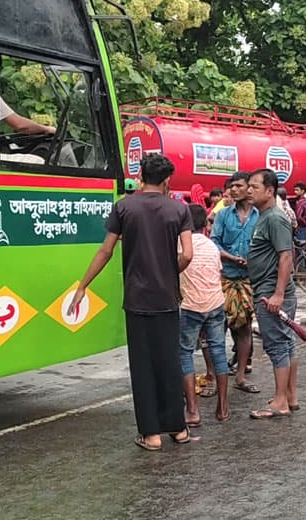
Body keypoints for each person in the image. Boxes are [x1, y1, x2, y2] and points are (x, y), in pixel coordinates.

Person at [67, 153, 195, 450]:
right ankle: (178, 429)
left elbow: (106, 251)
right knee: (169, 360)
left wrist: (83, 285)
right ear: (167, 180)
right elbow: (187, 254)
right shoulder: (179, 209)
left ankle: (151, 434)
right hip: (167, 299)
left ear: (140, 176)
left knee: (143, 365)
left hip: (137, 298)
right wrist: (167, 270)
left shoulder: (124, 207)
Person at [247, 169, 301, 418]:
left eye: (254, 186)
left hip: (272, 293)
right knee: (286, 343)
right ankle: (289, 395)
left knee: (278, 345)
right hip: (268, 289)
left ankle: (280, 400)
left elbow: (286, 255)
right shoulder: (264, 216)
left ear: (269, 191)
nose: (249, 190)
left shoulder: (275, 218)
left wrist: (278, 294)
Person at [179, 204, 230, 426]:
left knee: (184, 353)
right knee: (218, 351)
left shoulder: (180, 245)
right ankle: (223, 407)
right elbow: (217, 275)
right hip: (215, 303)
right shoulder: (211, 246)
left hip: (191, 305)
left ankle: (192, 410)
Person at [210, 171, 260, 394]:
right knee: (217, 326)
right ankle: (215, 375)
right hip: (226, 277)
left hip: (249, 279)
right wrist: (232, 258)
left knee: (244, 328)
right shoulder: (222, 215)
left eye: (239, 186)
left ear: (248, 188)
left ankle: (240, 376)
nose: (233, 190)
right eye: (232, 186)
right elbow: (214, 244)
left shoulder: (261, 215)